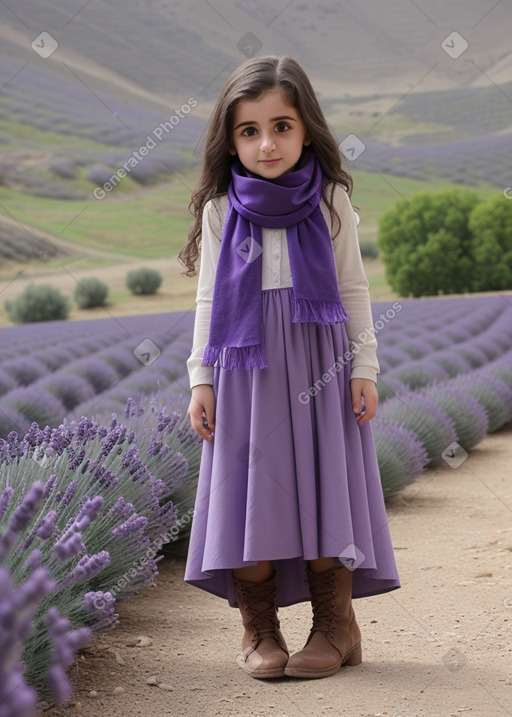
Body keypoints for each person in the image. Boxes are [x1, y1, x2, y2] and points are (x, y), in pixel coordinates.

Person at [179, 55, 400, 681]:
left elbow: (354, 290)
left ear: (307, 130)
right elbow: (206, 301)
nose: (267, 143)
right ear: (232, 140)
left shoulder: (330, 201)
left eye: (282, 126)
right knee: (251, 493)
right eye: (249, 131)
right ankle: (259, 629)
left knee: (328, 486)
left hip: (319, 363)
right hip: (244, 367)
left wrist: (365, 367)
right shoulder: (222, 209)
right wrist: (200, 377)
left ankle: (337, 626)